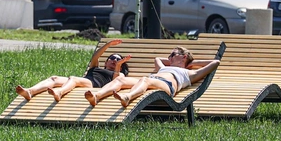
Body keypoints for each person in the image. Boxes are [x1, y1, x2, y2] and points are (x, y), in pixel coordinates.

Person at [84, 46, 220, 108]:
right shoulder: (163, 67)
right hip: (153, 80)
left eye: (172, 54)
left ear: (183, 56)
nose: (168, 57)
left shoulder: (188, 73)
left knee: (145, 79)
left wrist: (190, 63)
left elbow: (215, 62)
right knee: (120, 79)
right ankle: (97, 96)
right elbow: (157, 58)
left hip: (167, 85)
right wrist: (175, 60)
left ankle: (127, 97)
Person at [16, 39, 131, 102]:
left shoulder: (119, 74)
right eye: (112, 58)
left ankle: (59, 92)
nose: (114, 60)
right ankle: (30, 91)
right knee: (54, 78)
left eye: (118, 59)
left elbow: (115, 83)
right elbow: (95, 57)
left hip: (94, 85)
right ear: (106, 62)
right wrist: (108, 45)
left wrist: (118, 66)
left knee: (73, 79)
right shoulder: (95, 67)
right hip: (85, 80)